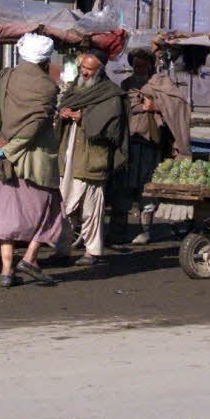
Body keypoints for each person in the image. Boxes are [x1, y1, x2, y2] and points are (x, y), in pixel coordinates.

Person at [0, 33, 64, 288]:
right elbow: (35, 125)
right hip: (35, 162)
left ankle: (6, 271)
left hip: (4, 159)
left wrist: (1, 149)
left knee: (7, 216)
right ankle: (29, 258)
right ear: (46, 59)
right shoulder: (48, 87)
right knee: (51, 211)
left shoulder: (2, 78)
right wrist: (12, 149)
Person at [55, 50, 128, 266]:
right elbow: (62, 107)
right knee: (65, 204)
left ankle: (93, 251)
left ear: (100, 71)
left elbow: (113, 129)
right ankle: (62, 249)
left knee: (91, 208)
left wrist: (83, 118)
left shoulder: (110, 94)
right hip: (69, 155)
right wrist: (63, 114)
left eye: (89, 70)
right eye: (83, 68)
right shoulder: (75, 89)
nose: (85, 73)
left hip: (92, 158)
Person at [114, 49, 168, 245]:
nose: (139, 69)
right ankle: (119, 230)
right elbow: (121, 107)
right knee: (123, 186)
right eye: (136, 65)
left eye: (143, 66)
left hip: (149, 144)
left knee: (147, 186)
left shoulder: (158, 85)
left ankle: (145, 231)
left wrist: (154, 107)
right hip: (128, 142)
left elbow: (172, 104)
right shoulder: (126, 85)